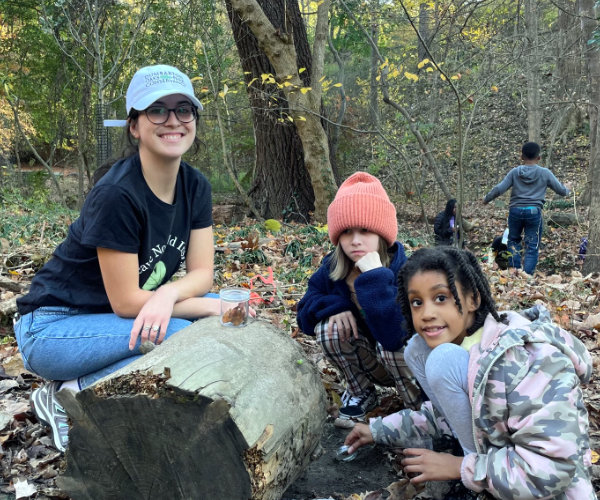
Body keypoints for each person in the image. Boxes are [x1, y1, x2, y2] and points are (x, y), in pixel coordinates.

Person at [14, 64, 222, 453]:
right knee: (179, 333)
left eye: (183, 109)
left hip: (111, 322)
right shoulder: (117, 194)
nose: (172, 120)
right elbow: (126, 301)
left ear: (194, 119)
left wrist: (169, 295)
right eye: (157, 110)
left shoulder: (195, 186)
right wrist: (197, 307)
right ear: (134, 126)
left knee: (221, 311)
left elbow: (203, 272)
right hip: (52, 329)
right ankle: (67, 395)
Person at [344, 247, 594, 499]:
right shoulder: (464, 351)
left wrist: (460, 467)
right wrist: (376, 430)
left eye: (441, 297)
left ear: (473, 299)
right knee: (416, 349)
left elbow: (551, 471)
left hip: (554, 493)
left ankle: (471, 470)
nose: (427, 314)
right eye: (417, 302)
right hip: (495, 473)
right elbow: (445, 416)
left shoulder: (529, 361)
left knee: (441, 359)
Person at [296, 172, 422, 420]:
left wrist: (375, 278)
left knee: (395, 348)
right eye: (346, 232)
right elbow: (304, 317)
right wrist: (336, 306)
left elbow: (395, 336)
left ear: (382, 234)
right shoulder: (332, 268)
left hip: (407, 365)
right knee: (327, 328)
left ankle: (418, 409)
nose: (355, 241)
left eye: (365, 230)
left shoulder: (406, 271)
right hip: (369, 359)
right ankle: (361, 392)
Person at [483, 142, 570, 275]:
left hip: (515, 211)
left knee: (513, 240)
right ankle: (527, 276)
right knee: (532, 245)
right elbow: (561, 191)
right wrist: (568, 189)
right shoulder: (545, 173)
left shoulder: (515, 172)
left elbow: (499, 188)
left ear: (522, 156)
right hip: (534, 212)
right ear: (539, 157)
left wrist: (486, 199)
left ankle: (515, 271)